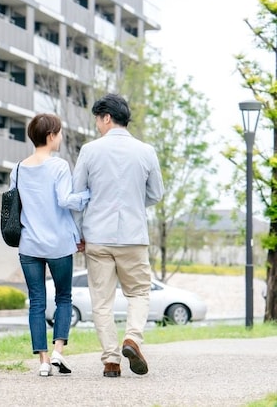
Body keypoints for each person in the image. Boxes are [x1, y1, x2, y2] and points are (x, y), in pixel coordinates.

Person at [72, 93, 164, 378]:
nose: (98, 125)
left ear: (107, 117)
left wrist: (78, 233)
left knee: (101, 301)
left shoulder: (89, 150)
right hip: (134, 237)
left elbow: (77, 198)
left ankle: (111, 360)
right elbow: (156, 194)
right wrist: (134, 203)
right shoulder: (146, 151)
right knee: (138, 292)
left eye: (98, 120)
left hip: (97, 237)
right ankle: (133, 338)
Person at [12, 113, 89, 377]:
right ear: (51, 136)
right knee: (64, 297)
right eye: (59, 132)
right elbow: (66, 200)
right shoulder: (59, 166)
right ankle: (58, 351)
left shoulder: (19, 168)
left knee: (36, 302)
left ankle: (43, 362)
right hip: (57, 244)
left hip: (29, 244)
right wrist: (88, 196)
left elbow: (15, 204)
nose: (61, 137)